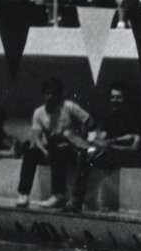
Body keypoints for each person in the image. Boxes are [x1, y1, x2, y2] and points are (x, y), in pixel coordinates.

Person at [70, 81, 141, 214]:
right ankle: (78, 201)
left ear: (126, 99)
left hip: (139, 157)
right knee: (86, 153)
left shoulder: (138, 118)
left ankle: (81, 201)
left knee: (100, 156)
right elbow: (101, 138)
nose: (115, 101)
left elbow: (134, 148)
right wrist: (89, 139)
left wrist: (108, 145)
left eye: (119, 97)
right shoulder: (111, 117)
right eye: (112, 97)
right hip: (117, 153)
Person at [15, 77, 91, 210]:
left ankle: (58, 195)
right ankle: (24, 194)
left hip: (71, 148)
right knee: (30, 153)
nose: (50, 97)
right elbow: (36, 138)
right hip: (51, 148)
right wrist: (43, 151)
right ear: (43, 94)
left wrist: (82, 134)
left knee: (58, 150)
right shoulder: (38, 113)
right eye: (47, 93)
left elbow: (89, 120)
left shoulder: (69, 106)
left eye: (54, 93)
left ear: (59, 95)